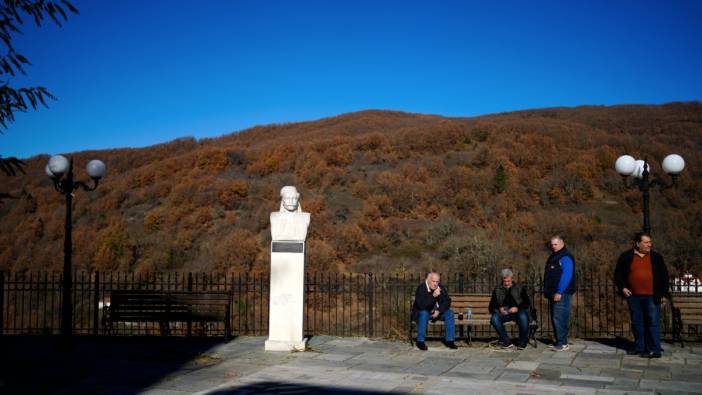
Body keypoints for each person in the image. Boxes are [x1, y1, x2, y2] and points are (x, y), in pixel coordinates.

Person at [614, 232, 670, 358]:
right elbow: (618, 274)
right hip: (633, 296)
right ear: (638, 243)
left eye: (650, 242)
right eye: (646, 242)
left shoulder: (656, 257)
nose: (649, 245)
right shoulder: (626, 256)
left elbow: (664, 277)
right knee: (637, 322)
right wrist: (622, 288)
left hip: (652, 296)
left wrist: (664, 295)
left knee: (652, 322)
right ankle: (639, 347)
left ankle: (654, 349)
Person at [543, 235, 576, 351]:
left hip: (561, 294)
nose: (553, 246)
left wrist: (559, 291)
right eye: (552, 245)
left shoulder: (565, 257)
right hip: (553, 293)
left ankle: (562, 343)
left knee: (560, 317)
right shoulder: (555, 256)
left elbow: (566, 275)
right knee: (556, 317)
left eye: (556, 244)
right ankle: (559, 341)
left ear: (562, 243)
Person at [411, 272, 457, 350]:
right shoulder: (421, 288)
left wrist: (439, 310)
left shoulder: (440, 288)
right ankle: (420, 341)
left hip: (437, 313)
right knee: (424, 313)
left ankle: (450, 340)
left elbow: (447, 301)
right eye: (433, 281)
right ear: (428, 280)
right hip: (424, 313)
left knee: (449, 313)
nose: (435, 284)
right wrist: (433, 296)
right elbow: (422, 306)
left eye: (437, 282)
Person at [489, 268, 532, 349]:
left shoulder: (519, 287)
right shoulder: (497, 289)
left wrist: (517, 308)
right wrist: (499, 308)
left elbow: (527, 302)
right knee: (494, 318)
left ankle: (522, 341)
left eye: (508, 281)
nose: (506, 283)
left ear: (512, 279)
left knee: (523, 317)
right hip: (504, 313)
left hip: (518, 312)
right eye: (504, 281)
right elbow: (492, 305)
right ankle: (506, 341)